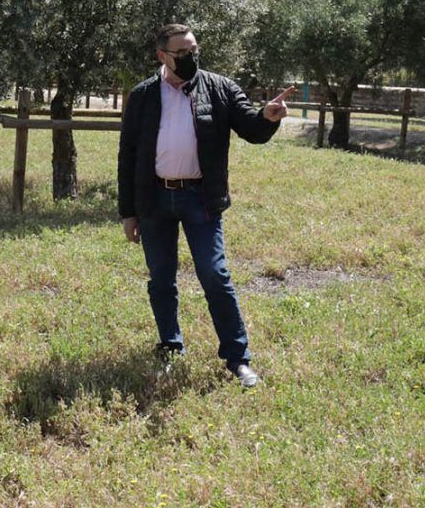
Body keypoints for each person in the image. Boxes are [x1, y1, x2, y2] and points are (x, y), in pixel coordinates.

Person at [117, 23, 293, 388]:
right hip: (155, 199)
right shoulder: (143, 95)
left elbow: (251, 128)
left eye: (194, 49)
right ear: (162, 56)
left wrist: (267, 117)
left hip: (201, 198)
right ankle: (170, 347)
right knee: (161, 280)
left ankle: (237, 358)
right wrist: (128, 211)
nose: (191, 57)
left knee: (215, 275)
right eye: (182, 52)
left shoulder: (220, 88)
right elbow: (128, 155)